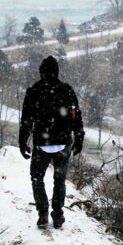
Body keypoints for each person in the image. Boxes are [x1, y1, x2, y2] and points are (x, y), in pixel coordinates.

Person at [19, 56, 85, 229]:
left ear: (41, 72)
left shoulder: (34, 91)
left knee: (36, 178)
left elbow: (27, 120)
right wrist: (79, 138)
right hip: (63, 142)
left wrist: (23, 141)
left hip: (42, 143)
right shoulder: (66, 90)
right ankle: (58, 215)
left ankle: (42, 214)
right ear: (57, 72)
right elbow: (76, 116)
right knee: (59, 179)